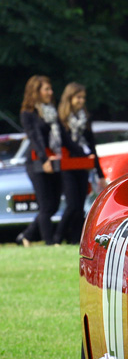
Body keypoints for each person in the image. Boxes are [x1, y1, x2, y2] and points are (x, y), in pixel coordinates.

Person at [55, 82, 104, 244]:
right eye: (78, 97)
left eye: (83, 98)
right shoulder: (61, 120)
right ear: (70, 98)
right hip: (67, 166)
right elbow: (64, 142)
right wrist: (82, 152)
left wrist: (100, 173)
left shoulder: (85, 119)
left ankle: (75, 240)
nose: (81, 101)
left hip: (83, 166)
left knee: (81, 205)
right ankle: (56, 238)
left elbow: (92, 146)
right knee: (72, 205)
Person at [17, 75, 62, 246]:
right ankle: (49, 243)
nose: (51, 92)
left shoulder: (51, 111)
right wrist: (44, 159)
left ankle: (26, 236)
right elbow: (34, 138)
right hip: (37, 160)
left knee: (54, 204)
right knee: (45, 204)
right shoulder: (28, 113)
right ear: (36, 92)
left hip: (53, 158)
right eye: (46, 89)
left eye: (50, 89)